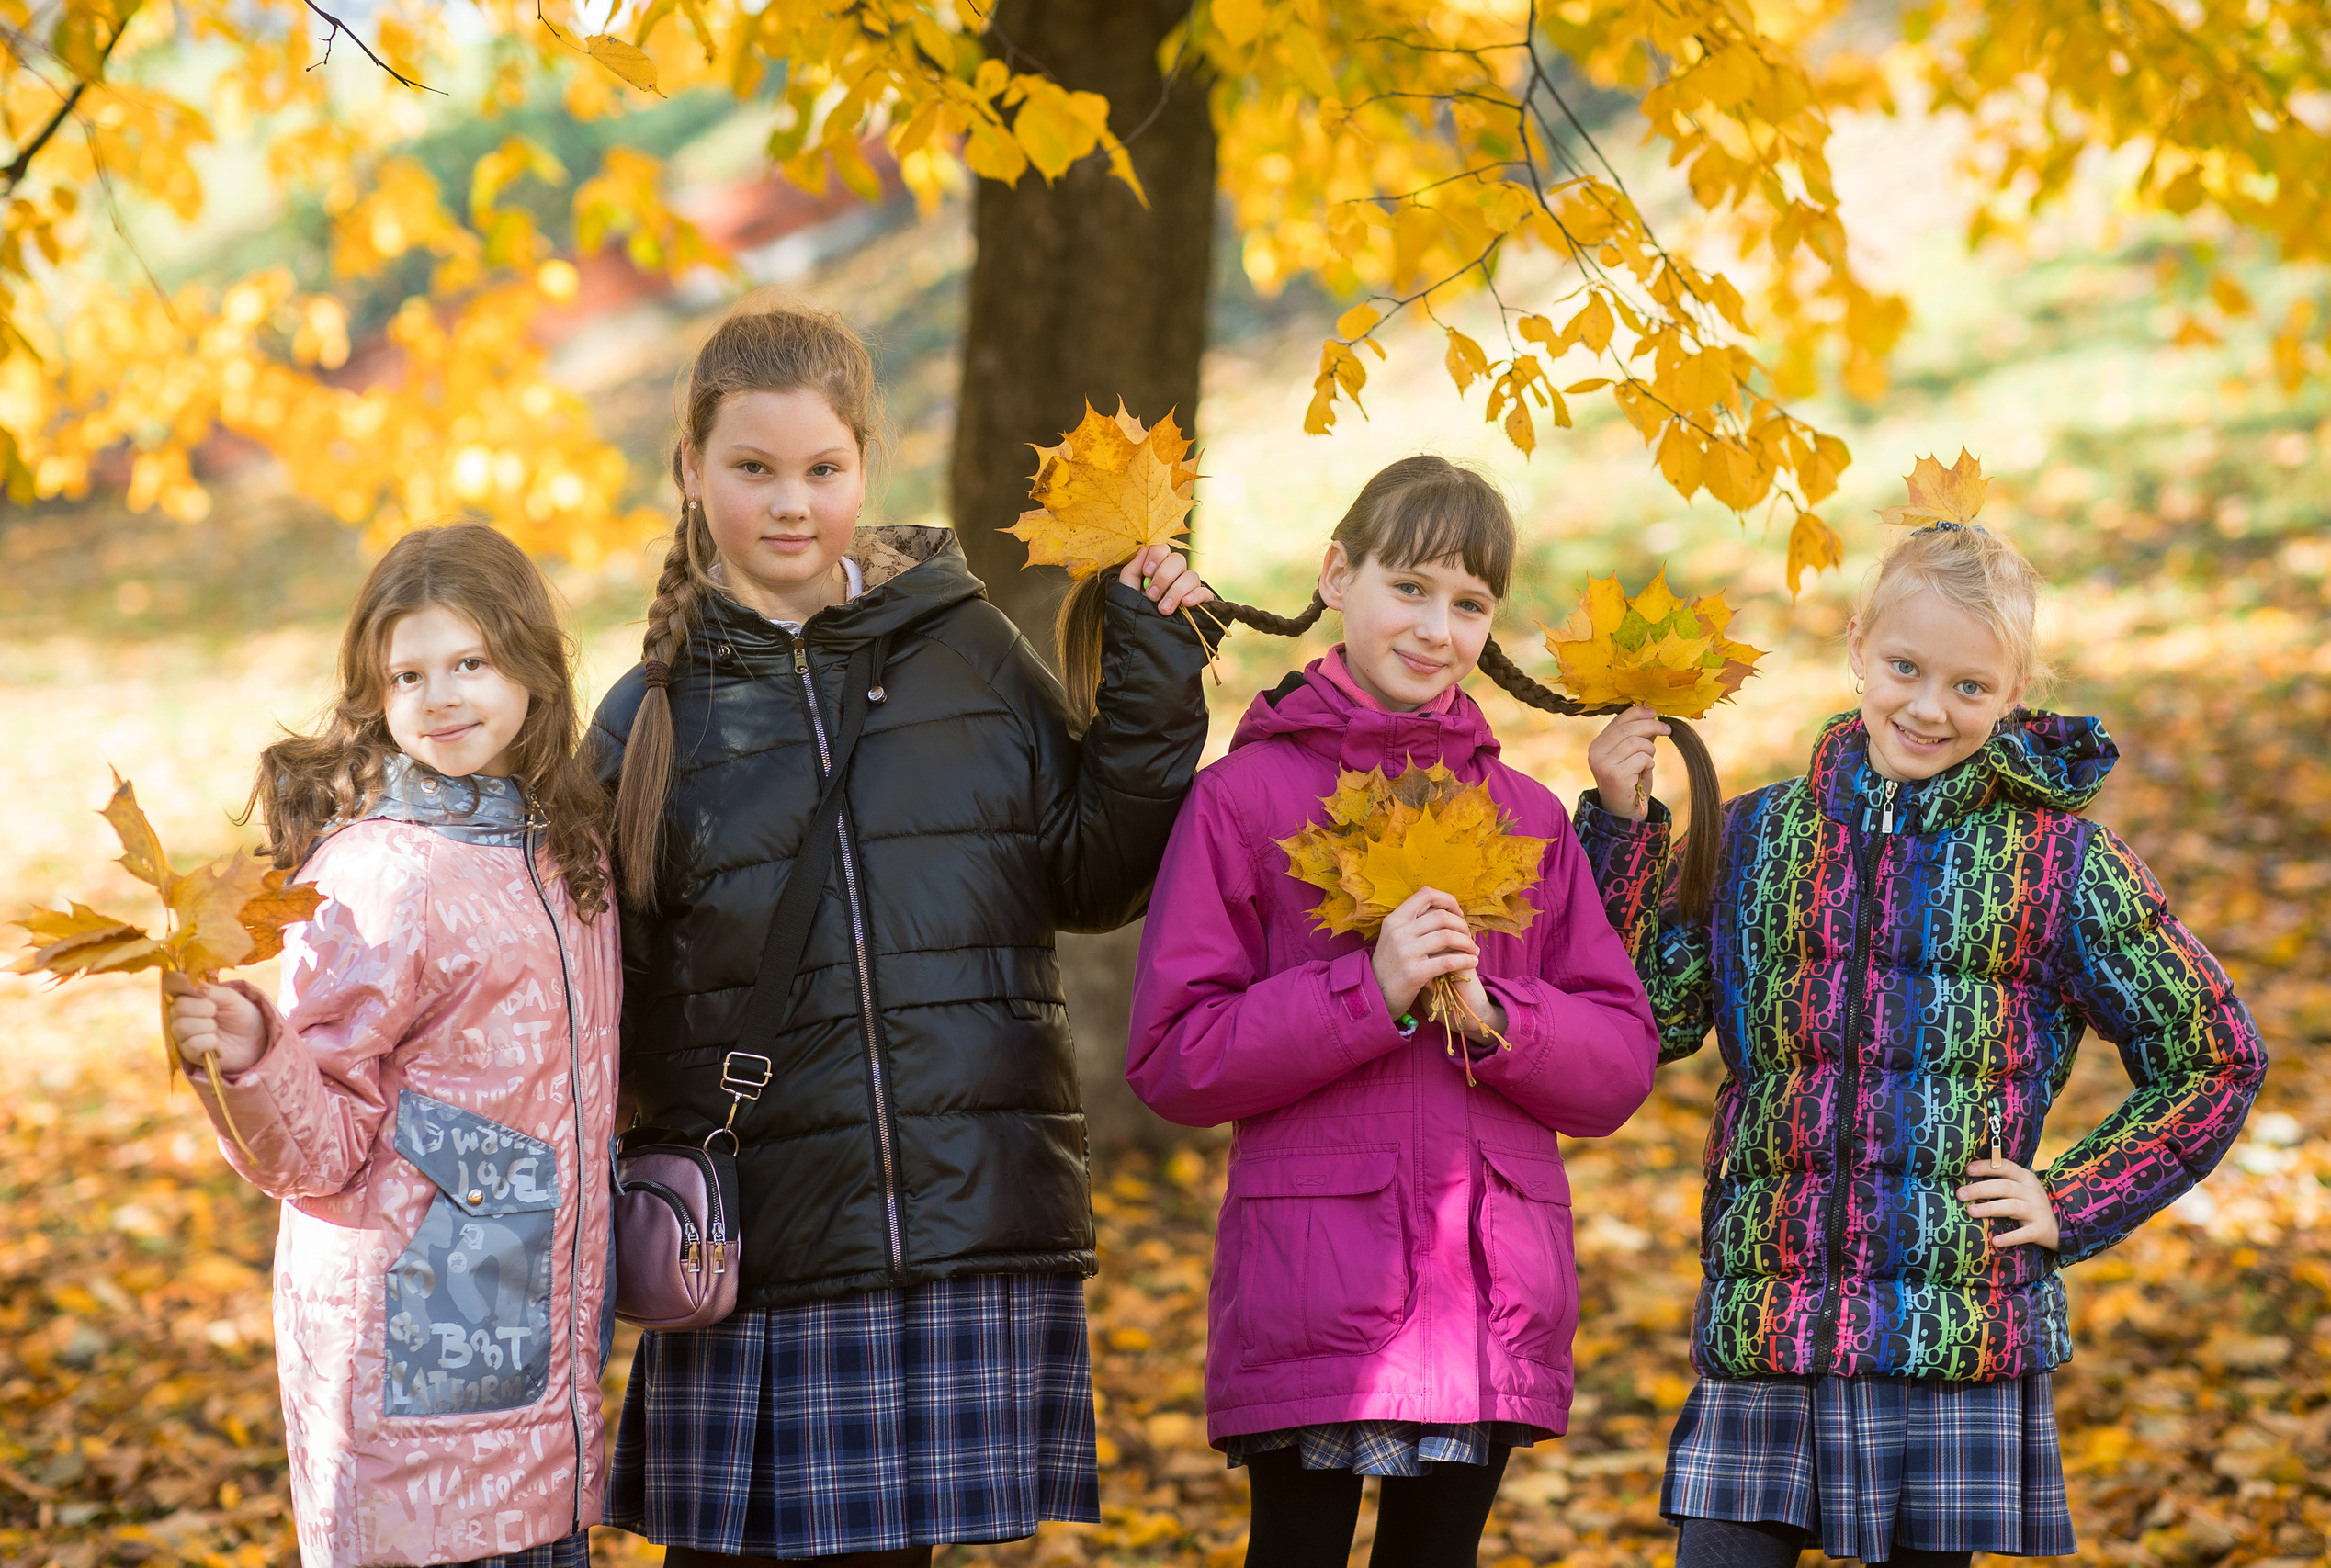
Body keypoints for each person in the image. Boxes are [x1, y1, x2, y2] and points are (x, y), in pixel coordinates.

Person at [584, 297, 1220, 1566]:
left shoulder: (965, 648)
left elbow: (1091, 871)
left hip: (953, 1216)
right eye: (752, 468)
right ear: (690, 471)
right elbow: (594, 1000)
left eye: (823, 468)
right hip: (753, 1246)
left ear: (865, 466)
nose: (789, 504)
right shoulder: (646, 718)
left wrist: (1154, 671)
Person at [1579, 518, 2268, 1568]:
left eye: (1968, 687)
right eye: (1904, 667)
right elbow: (1654, 1017)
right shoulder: (1760, 839)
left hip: (1948, 1328)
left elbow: (2215, 1054)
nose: (1927, 707)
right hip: (1771, 1311)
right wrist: (1625, 831)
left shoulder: (2056, 865)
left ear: (2012, 691)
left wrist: (2069, 1199)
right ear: (1858, 645)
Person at [1125, 455, 1662, 1568]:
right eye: (1409, 587)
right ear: (1336, 574)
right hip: (1313, 1277)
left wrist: (1497, 1016)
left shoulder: (1525, 819)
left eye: (1469, 604)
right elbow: (1175, 1057)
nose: (1436, 627)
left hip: (1488, 1287)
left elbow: (1616, 1063)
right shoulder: (1244, 801)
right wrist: (1363, 996)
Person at [164, 522, 619, 1568]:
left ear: (535, 668)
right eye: (408, 675)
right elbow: (318, 1149)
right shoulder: (375, 873)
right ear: (374, 695)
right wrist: (254, 1057)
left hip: (545, 1354)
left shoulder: (567, 852)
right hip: (421, 1357)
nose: (443, 697)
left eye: (470, 662)